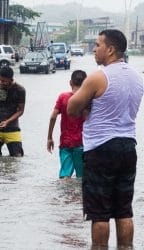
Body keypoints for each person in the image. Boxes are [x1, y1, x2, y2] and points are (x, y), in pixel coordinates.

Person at [67, 29, 144, 248]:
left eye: (97, 45)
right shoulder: (137, 77)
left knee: (99, 214)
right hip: (129, 146)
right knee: (124, 210)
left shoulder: (98, 76)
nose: (94, 48)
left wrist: (85, 99)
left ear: (110, 49)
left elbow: (72, 108)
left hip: (101, 149)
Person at [47, 70, 87, 179]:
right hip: (82, 143)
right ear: (86, 83)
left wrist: (49, 137)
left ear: (70, 82)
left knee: (65, 176)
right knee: (82, 177)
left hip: (65, 142)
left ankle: (64, 196)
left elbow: (53, 117)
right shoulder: (88, 99)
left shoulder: (63, 97)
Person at [0, 67, 25, 157]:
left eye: (4, 81)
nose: (0, 83)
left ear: (11, 80)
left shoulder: (20, 90)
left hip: (12, 128)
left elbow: (21, 111)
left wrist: (7, 121)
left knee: (17, 158)